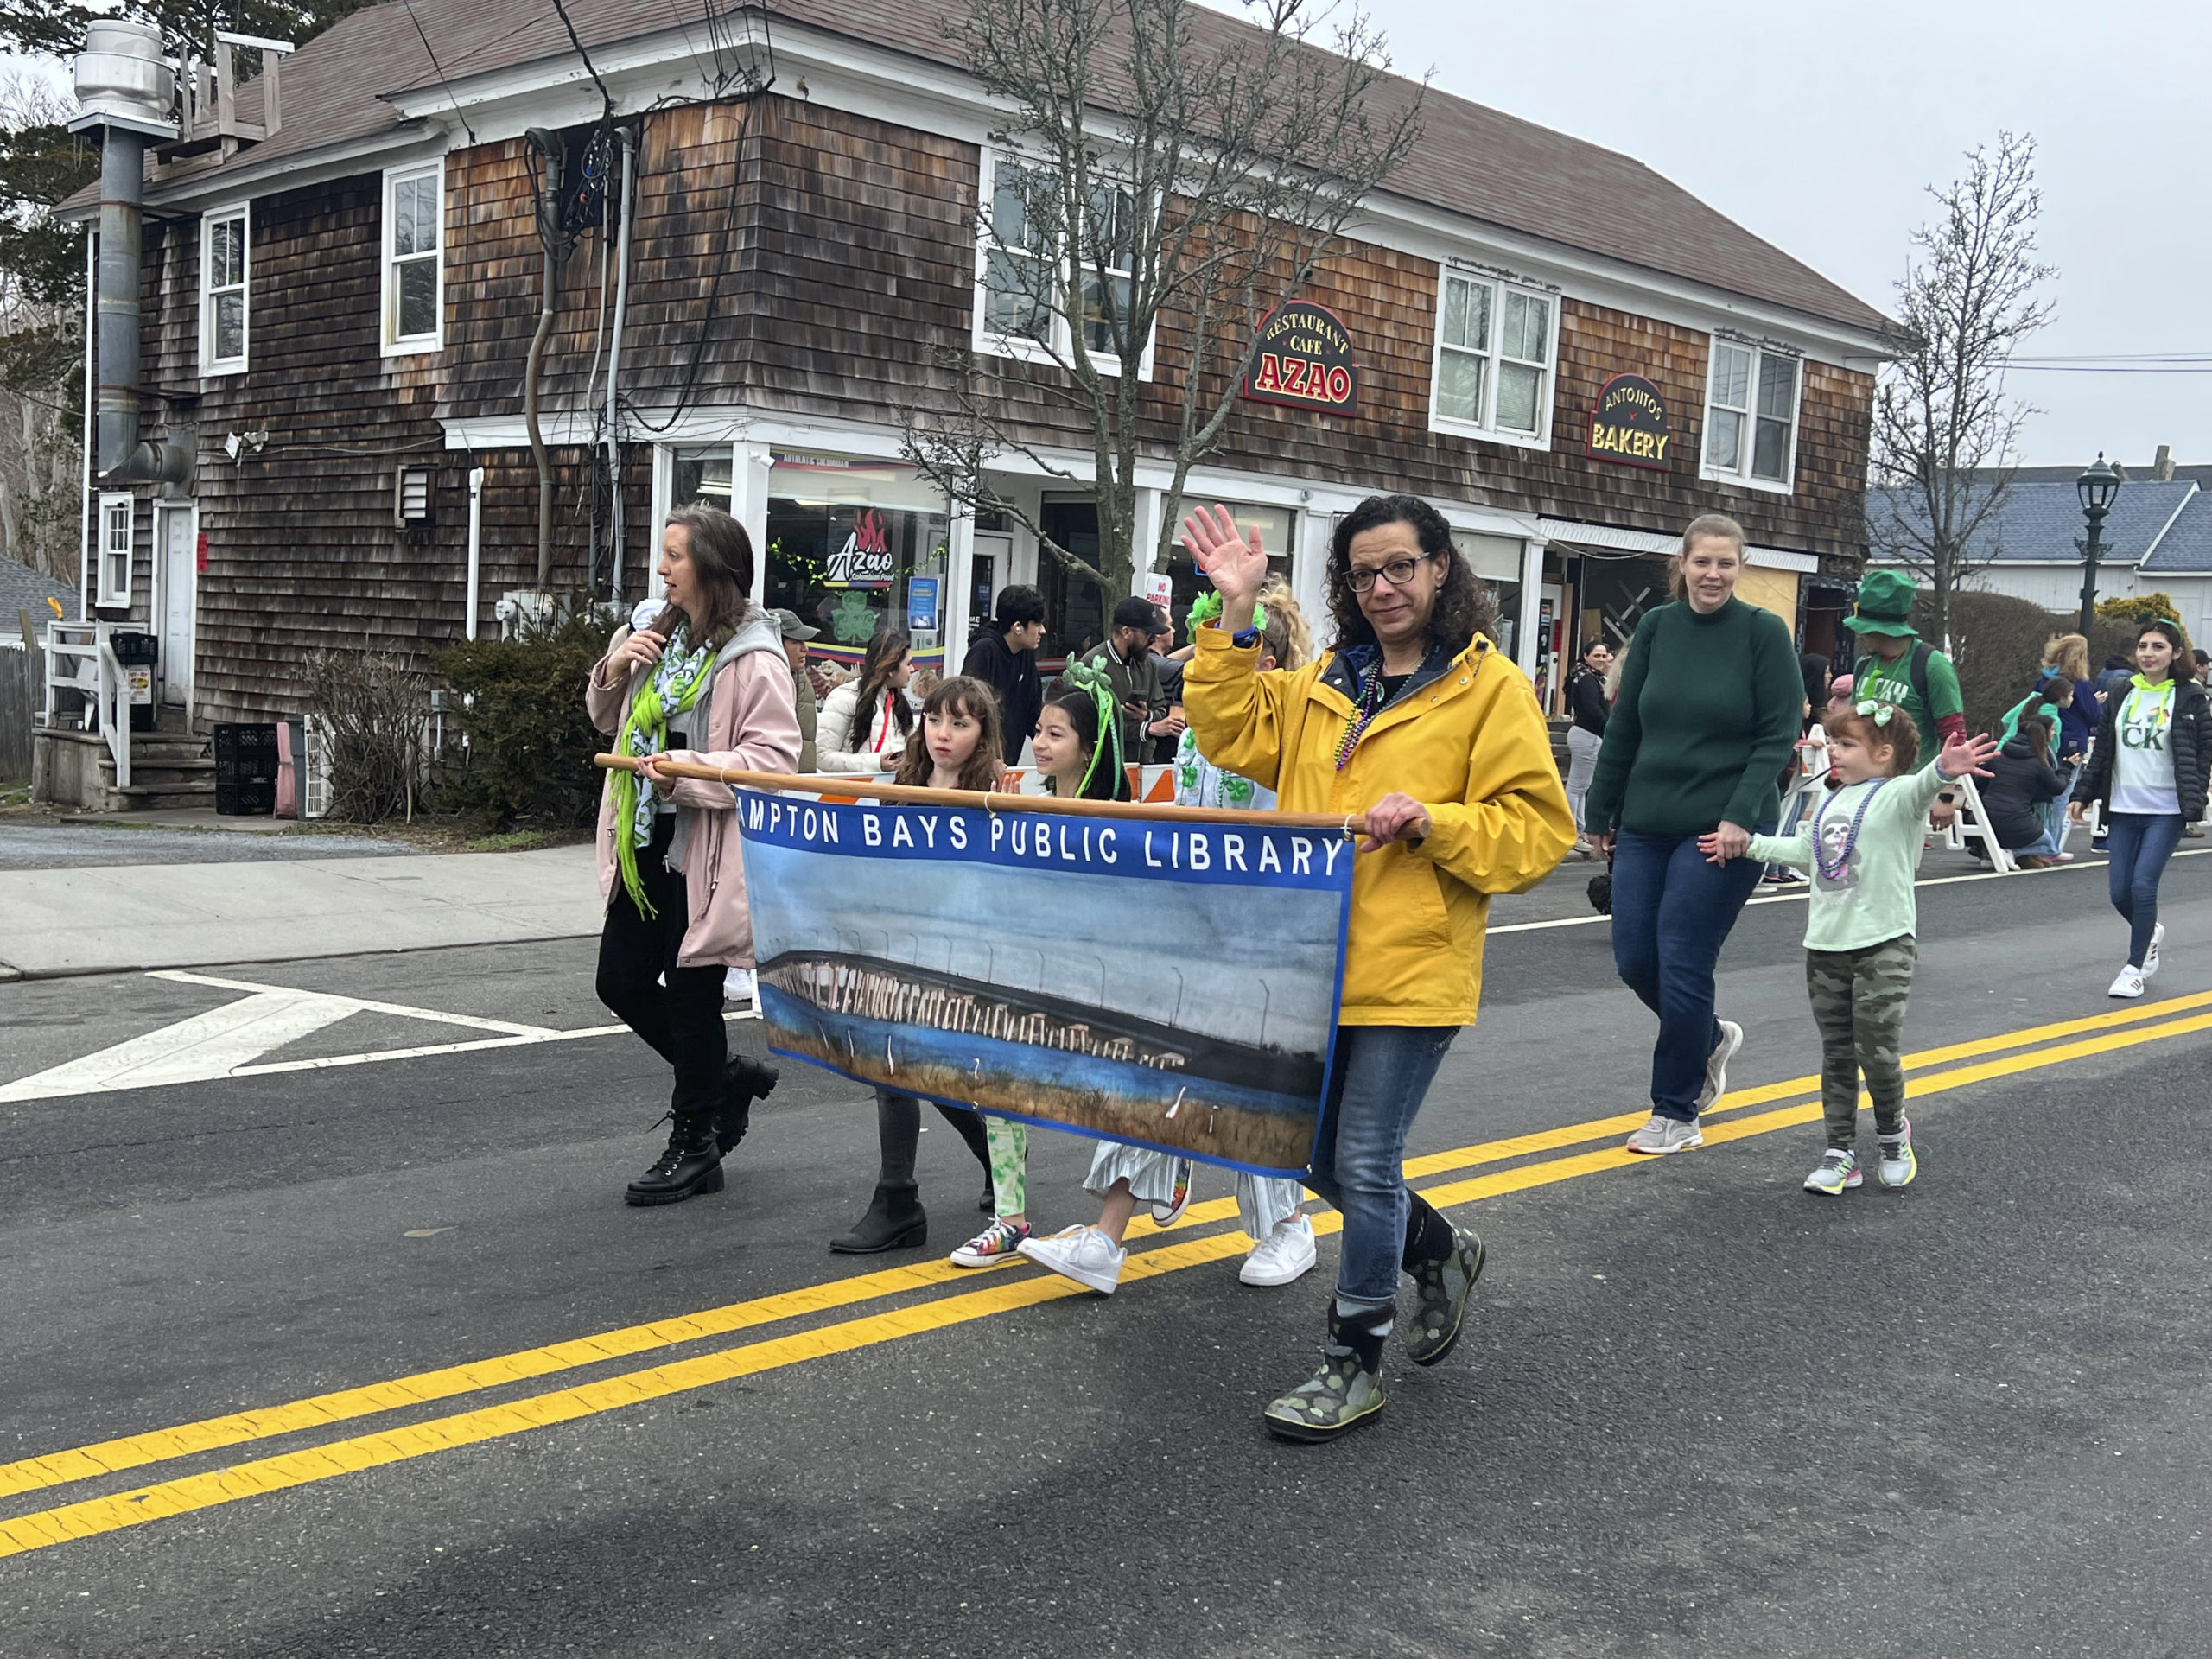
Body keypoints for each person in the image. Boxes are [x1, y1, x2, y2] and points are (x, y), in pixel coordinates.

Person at [1182, 493, 1573, 1442]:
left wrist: (1435, 821)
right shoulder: (1325, 682)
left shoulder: (1488, 689)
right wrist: (1233, 612)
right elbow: (1226, 728)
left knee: (1362, 1160)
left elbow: (1537, 831)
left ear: (1441, 568)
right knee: (1308, 1153)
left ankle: (1351, 1359)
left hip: (1411, 966)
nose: (1383, 587)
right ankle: (1438, 1249)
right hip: (1312, 960)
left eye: (1400, 566)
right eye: (1363, 573)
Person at [1016, 582, 1325, 1296]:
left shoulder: (1294, 733)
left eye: (1233, 644)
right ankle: (1106, 1236)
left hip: (1265, 940)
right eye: (1205, 644)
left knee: (1249, 1085)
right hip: (1190, 929)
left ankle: (1286, 1225)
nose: (1202, 662)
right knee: (1148, 1069)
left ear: (1269, 658)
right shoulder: (1191, 735)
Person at [588, 505, 798, 1205]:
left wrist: (690, 770)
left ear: (711, 567)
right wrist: (614, 666)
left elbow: (774, 763)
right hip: (643, 839)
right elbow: (604, 718)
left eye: (674, 556)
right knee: (618, 982)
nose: (661, 570)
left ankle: (696, 1142)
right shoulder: (656, 636)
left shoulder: (754, 657)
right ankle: (723, 1082)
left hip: (704, 849)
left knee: (691, 999)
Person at [1582, 514, 1803, 1156]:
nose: (1712, 575)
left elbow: (1777, 734)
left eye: (1725, 564)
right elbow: (1625, 727)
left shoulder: (1763, 634)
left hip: (1724, 827)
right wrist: (1602, 809)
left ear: (1740, 568)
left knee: (1682, 958)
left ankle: (1675, 1110)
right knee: (1634, 959)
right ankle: (1707, 1038)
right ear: (1681, 565)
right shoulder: (1656, 628)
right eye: (1701, 562)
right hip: (1649, 820)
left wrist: (1739, 815)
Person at [1718, 705, 1999, 1196]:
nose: (1834, 752)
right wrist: (1752, 845)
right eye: (1833, 742)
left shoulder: (1895, 797)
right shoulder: (1830, 801)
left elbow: (1921, 787)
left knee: (1878, 1049)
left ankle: (1892, 1133)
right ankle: (1840, 1151)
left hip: (1884, 942)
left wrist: (1942, 770)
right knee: (1838, 1053)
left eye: (1846, 745)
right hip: (1825, 944)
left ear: (1883, 754)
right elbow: (1805, 851)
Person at [944, 666, 1135, 1272]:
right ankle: (1010, 1220)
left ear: (1091, 743)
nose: (1042, 744)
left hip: (1104, 988)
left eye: (1057, 734)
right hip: (1033, 976)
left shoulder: (1122, 822)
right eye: (1039, 732)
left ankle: (1161, 1168)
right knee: (997, 1084)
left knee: (1127, 1098)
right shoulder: (1023, 803)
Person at [829, 677, 1007, 1252]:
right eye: (935, 720)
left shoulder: (995, 794)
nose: (943, 735)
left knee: (934, 1074)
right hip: (899, 946)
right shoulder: (899, 787)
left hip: (960, 956)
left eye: (960, 723)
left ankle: (991, 1161)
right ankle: (899, 1198)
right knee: (895, 1066)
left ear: (982, 733)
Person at [2069, 619, 2212, 998]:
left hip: (2165, 810)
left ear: (2176, 653)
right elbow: (2102, 750)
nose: (2148, 654)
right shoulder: (2121, 691)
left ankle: (2134, 968)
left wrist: (2194, 802)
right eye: (2144, 646)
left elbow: (2201, 753)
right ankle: (2149, 931)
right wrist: (2082, 794)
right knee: (2119, 893)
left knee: (2143, 885)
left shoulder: (2190, 697)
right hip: (2123, 807)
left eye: (2158, 647)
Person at [1846, 570, 1967, 830]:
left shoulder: (1931, 665)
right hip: (1862, 789)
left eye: (1864, 629)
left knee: (1893, 867)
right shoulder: (1863, 666)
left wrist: (1944, 795)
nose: (1860, 635)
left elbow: (1954, 736)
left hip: (1910, 790)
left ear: (1880, 629)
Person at [1083, 595, 1182, 765]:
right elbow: (1090, 724)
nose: (1153, 640)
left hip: (1144, 765)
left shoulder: (1147, 664)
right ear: (1126, 632)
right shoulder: (1092, 665)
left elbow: (1160, 709)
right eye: (1148, 634)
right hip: (1105, 769)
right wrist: (1147, 728)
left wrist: (1145, 715)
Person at [960, 585, 1047, 765]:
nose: (1043, 631)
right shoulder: (984, 652)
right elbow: (967, 710)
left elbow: (1034, 711)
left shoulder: (1026, 655)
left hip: (1008, 766)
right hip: (976, 767)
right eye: (1037, 624)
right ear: (1017, 627)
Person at [817, 626, 918, 774]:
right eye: (908, 664)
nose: (913, 669)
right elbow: (822, 757)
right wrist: (876, 763)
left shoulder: (899, 702)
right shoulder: (844, 697)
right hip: (855, 793)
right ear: (890, 668)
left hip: (893, 793)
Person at [1981, 712, 2069, 868]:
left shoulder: (1999, 755)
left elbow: (1981, 782)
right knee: (2050, 846)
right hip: (2015, 817)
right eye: (2053, 730)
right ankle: (2012, 853)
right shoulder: (2038, 761)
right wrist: (2067, 768)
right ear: (2043, 734)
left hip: (1987, 814)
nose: (2054, 733)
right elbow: (2057, 788)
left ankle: (2004, 853)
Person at [1562, 639, 1614, 852]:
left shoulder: (1588, 676)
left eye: (1604, 656)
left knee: (1582, 787)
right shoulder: (1587, 679)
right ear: (1586, 656)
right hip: (1587, 735)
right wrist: (1609, 728)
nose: (1601, 660)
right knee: (1576, 787)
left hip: (1585, 734)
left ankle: (1580, 830)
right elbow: (1593, 710)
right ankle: (1571, 832)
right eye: (1596, 656)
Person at [770, 608, 822, 772]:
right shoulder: (762, 679)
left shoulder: (802, 678)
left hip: (799, 785)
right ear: (776, 642)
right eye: (795, 641)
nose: (805, 648)